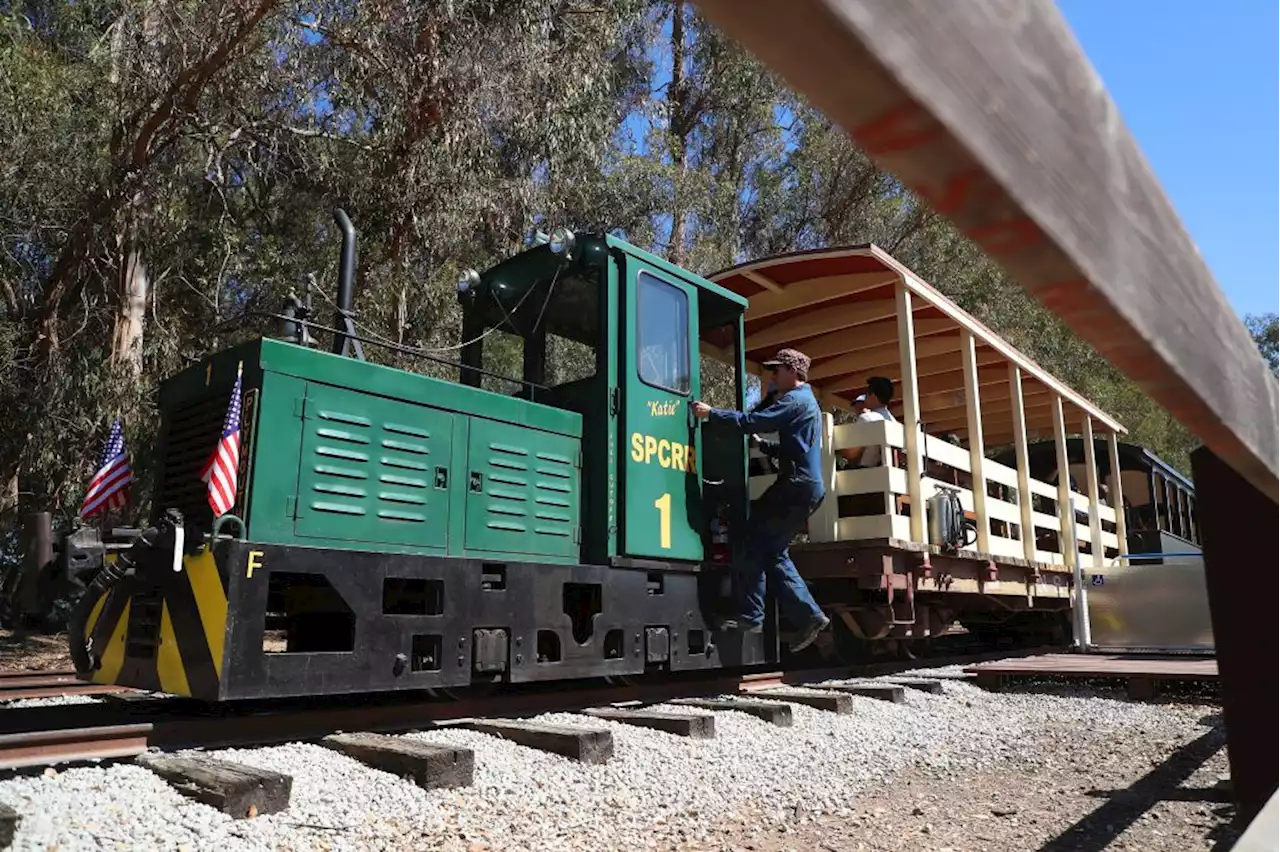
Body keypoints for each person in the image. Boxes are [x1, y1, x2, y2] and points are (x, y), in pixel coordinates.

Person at [691, 348, 831, 652]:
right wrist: (765, 447)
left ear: (793, 372)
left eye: (777, 370)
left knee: (749, 540)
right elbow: (795, 449)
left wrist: (711, 413)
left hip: (794, 487)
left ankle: (753, 616)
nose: (773, 376)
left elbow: (752, 421)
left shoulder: (795, 400)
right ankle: (809, 615)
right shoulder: (806, 402)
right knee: (773, 552)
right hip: (802, 486)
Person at [839, 375, 897, 468]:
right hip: (885, 472)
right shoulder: (894, 423)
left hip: (867, 474)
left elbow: (850, 453)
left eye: (867, 394)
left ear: (873, 396)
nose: (865, 397)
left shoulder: (867, 418)